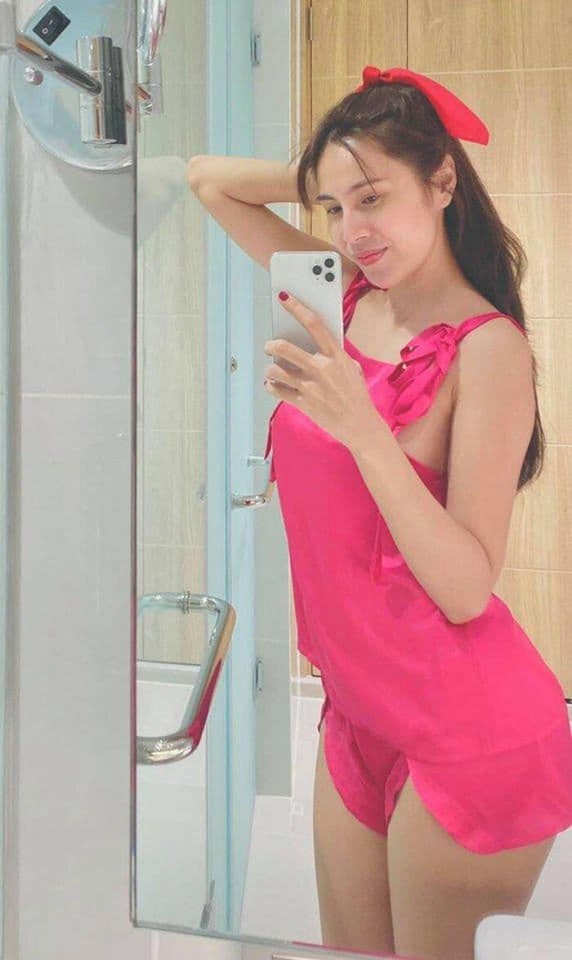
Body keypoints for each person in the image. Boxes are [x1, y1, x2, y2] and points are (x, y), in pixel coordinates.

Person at [186, 66, 572, 960]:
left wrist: (365, 431)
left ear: (443, 182)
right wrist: (336, 164)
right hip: (359, 711)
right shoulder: (346, 298)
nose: (351, 231)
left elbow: (468, 588)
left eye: (374, 198)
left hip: (466, 731)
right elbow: (207, 179)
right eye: (333, 209)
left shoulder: (488, 350)